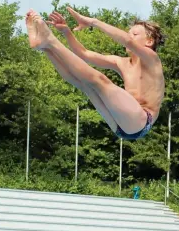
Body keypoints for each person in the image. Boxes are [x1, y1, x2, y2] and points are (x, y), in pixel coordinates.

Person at [26, 8, 165, 140]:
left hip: (141, 121)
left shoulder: (152, 60)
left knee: (100, 80)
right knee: (83, 84)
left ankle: (50, 41)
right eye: (128, 33)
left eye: (134, 34)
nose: (129, 37)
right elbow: (84, 54)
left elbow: (126, 40)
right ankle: (45, 47)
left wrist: (93, 22)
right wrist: (66, 32)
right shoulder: (122, 63)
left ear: (149, 41)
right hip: (119, 125)